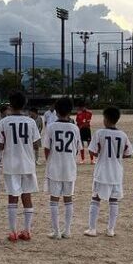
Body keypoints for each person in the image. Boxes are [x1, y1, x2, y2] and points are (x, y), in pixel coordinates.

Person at [0, 91, 41, 242]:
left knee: (12, 197)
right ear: (24, 105)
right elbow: (36, 144)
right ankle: (27, 231)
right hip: (27, 163)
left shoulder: (4, 122)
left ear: (10, 105)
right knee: (27, 196)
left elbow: (0, 144)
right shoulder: (31, 122)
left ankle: (13, 232)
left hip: (11, 164)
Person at [84, 106, 132, 237]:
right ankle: (111, 229)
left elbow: (92, 151)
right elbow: (128, 153)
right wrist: (117, 155)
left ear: (105, 119)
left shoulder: (100, 133)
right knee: (114, 200)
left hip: (102, 172)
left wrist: (101, 153)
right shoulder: (122, 135)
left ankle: (92, 228)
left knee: (95, 198)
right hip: (116, 172)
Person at [43, 97, 80, 239]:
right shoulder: (75, 128)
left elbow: (46, 148)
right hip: (69, 167)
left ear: (56, 111)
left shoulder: (51, 127)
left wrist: (50, 161)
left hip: (55, 167)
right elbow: (77, 149)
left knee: (54, 199)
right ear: (70, 111)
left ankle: (56, 231)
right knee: (68, 199)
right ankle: (67, 230)